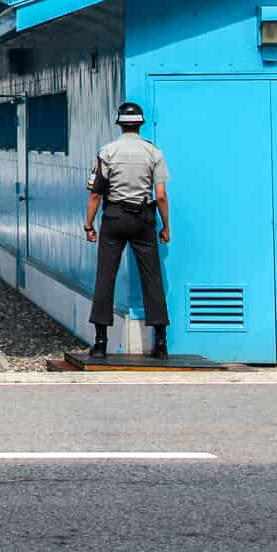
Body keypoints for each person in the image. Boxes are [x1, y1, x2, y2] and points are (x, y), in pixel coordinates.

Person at [83, 100, 171, 359]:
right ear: (141, 124)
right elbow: (162, 195)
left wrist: (89, 224)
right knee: (152, 277)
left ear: (120, 124)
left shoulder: (107, 152)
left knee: (105, 277)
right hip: (143, 217)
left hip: (114, 217)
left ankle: (100, 342)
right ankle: (161, 342)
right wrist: (165, 227)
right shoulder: (154, 152)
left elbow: (96, 194)